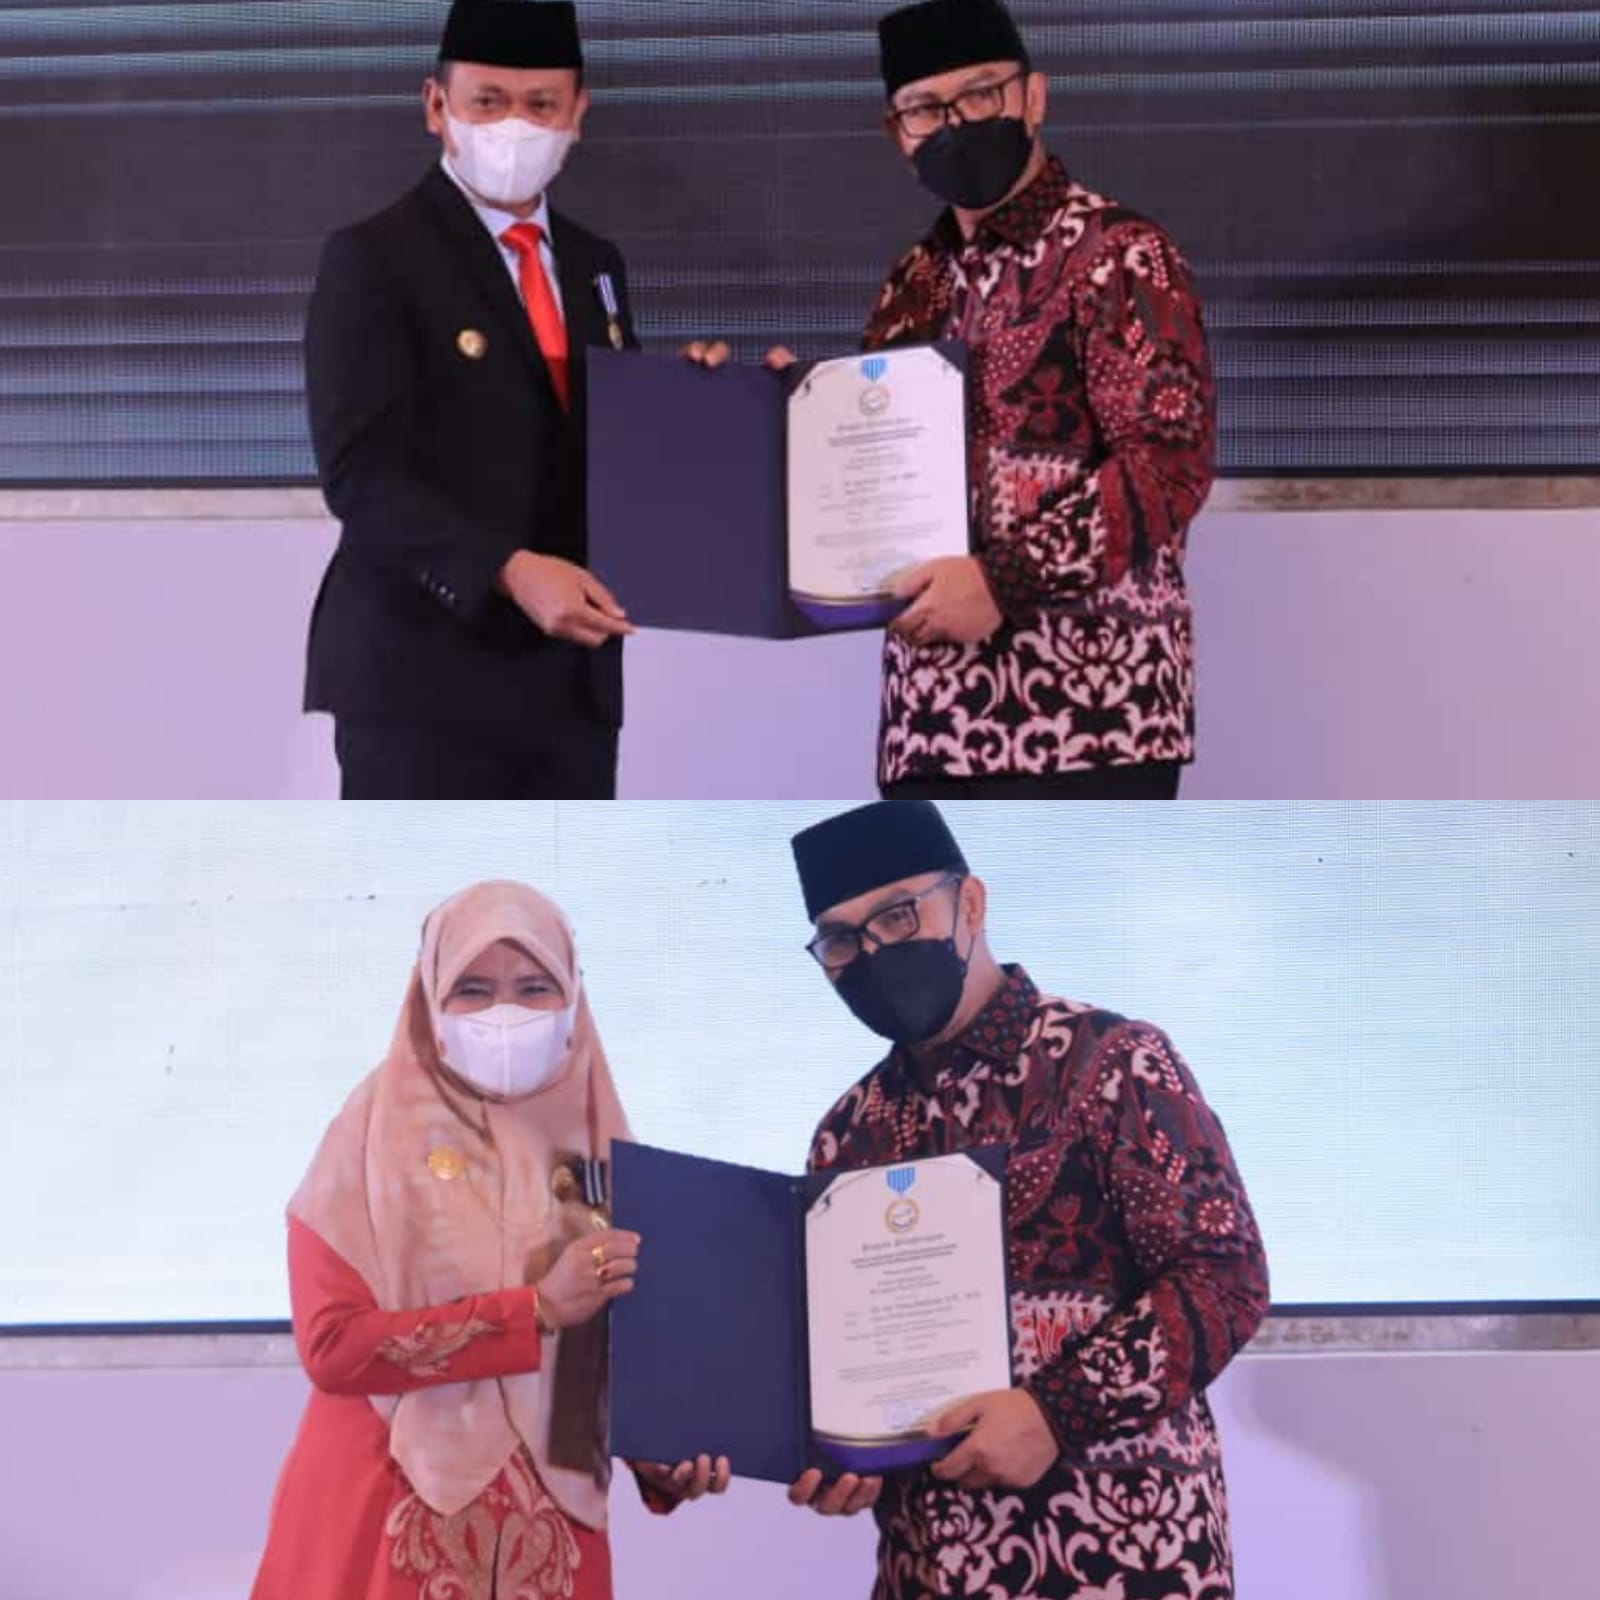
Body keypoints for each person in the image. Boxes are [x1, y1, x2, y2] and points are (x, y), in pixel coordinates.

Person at [691, 0, 1216, 799]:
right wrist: (784, 414)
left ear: (1033, 97)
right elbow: (874, 476)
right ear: (897, 134)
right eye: (925, 109)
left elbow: (1167, 465)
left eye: (980, 93)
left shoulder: (1121, 254)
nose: (956, 123)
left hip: (1094, 718)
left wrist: (1001, 581)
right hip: (933, 719)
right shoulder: (913, 282)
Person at [785, 802, 1268, 1599]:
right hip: (929, 1568)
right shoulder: (848, 1132)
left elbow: (1223, 1278)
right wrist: (840, 1455)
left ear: (970, 904)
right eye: (840, 940)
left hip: (1125, 1561)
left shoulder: (1111, 1062)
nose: (872, 953)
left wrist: (1054, 1412)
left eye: (898, 917)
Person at [251, 880, 728, 1600]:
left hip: (553, 1530)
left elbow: (617, 1362)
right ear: (430, 1000)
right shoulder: (368, 1140)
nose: (506, 1012)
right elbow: (332, 1346)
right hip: (384, 1518)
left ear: (573, 1000)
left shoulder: (599, 1142)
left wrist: (661, 1459)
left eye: (535, 988)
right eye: (472, 990)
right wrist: (533, 1310)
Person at [303, 0, 639, 800]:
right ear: (436, 105)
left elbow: (607, 443)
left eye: (541, 105)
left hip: (568, 685)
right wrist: (508, 570)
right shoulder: (374, 257)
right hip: (424, 680)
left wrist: (700, 399)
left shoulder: (596, 263)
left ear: (578, 114)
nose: (514, 126)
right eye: (488, 102)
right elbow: (361, 475)